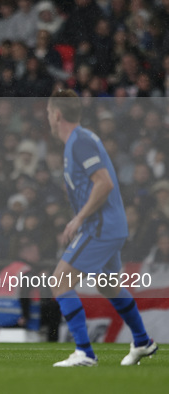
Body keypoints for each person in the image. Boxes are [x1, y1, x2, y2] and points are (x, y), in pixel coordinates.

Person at [47, 89, 157, 367]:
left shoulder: (79, 141)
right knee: (108, 286)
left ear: (56, 114)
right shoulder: (81, 140)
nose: (49, 118)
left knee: (59, 282)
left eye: (49, 113)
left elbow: (104, 182)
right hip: (111, 225)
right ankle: (143, 341)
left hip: (100, 226)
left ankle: (84, 352)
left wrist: (78, 217)